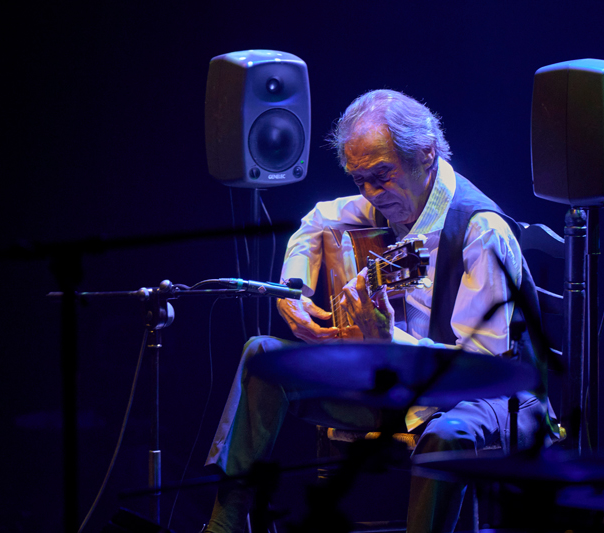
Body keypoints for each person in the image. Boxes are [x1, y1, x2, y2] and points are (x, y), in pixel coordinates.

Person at [204, 89, 558, 533]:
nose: (371, 192)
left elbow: (482, 366)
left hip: (488, 402)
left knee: (446, 435)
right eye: (359, 180)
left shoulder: (480, 231)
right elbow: (314, 222)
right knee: (262, 356)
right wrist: (292, 289)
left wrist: (390, 340)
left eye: (381, 175)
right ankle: (225, 522)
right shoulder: (381, 202)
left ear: (426, 155)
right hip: (398, 390)